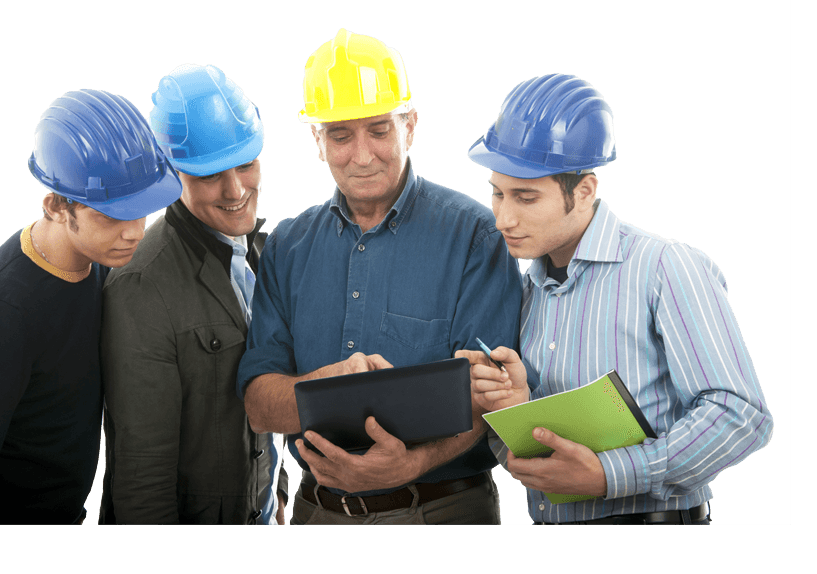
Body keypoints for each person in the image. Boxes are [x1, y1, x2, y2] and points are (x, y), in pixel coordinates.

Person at [236, 29, 522, 525]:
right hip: (316, 514)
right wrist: (318, 386)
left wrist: (410, 464)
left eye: (379, 130)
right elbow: (260, 405)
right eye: (341, 135)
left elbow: (490, 396)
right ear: (317, 139)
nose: (363, 155)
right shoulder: (287, 245)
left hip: (442, 513)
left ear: (409, 125)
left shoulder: (477, 235)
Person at [466, 73, 774, 524]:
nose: (503, 218)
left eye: (526, 197)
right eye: (497, 193)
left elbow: (740, 414)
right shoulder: (522, 288)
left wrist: (611, 474)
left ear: (585, 191)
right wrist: (514, 406)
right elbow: (540, 451)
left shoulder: (665, 267)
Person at [0, 89, 183, 524]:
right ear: (55, 205)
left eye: (141, 211)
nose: (133, 232)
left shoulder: (103, 264)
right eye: (111, 215)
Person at [97, 64, 286, 525]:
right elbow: (143, 480)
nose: (237, 189)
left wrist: (277, 499)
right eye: (210, 175)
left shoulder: (265, 255)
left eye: (245, 164)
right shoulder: (143, 285)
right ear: (170, 174)